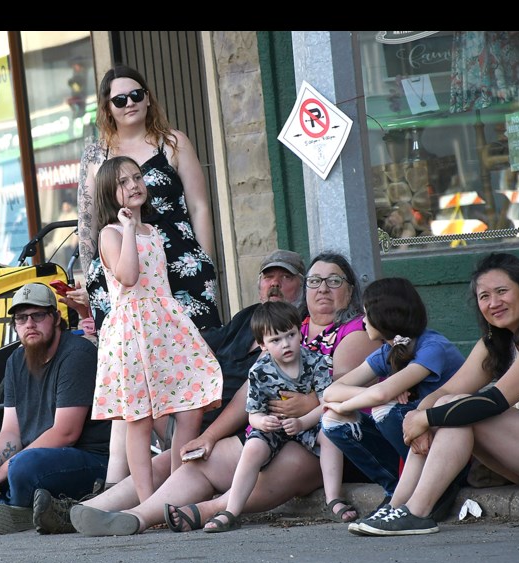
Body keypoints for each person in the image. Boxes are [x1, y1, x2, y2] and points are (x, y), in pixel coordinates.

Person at [49, 252, 378, 536]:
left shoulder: (355, 332)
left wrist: (306, 404)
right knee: (196, 458)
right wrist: (208, 437)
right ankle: (112, 514)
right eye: (315, 281)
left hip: (325, 441)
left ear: (350, 290)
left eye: (334, 282)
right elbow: (255, 387)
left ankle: (206, 511)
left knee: (287, 460)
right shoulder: (291, 329)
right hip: (272, 430)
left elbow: (334, 392)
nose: (323, 288)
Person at [355, 252, 519, 536]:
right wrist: (419, 418)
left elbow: (495, 401)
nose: (494, 303)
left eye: (502, 291)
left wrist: (426, 418)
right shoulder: (496, 340)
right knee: (448, 405)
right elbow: (449, 388)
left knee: (459, 410)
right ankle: (398, 505)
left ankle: (417, 511)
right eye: (484, 296)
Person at [91, 156, 222, 500]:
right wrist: (130, 229)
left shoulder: (154, 231)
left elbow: (159, 280)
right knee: (140, 416)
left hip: (164, 323)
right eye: (123, 182)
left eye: (137, 178)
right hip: (131, 327)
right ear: (109, 191)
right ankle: (149, 498)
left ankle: (178, 484)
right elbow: (129, 276)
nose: (134, 185)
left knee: (192, 399)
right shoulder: (111, 233)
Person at [0, 282, 111, 534]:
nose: (29, 324)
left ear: (56, 317)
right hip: (27, 459)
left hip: (83, 459)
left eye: (38, 315)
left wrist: (4, 469)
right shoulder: (16, 360)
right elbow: (10, 431)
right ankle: (10, 511)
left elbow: (65, 433)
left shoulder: (77, 354)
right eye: (21, 318)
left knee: (22, 466)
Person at [77, 64, 221, 333]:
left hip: (179, 262)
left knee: (199, 349)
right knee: (135, 359)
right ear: (107, 108)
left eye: (136, 95)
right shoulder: (95, 156)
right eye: (119, 100)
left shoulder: (173, 142)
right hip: (122, 272)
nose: (129, 103)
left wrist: (205, 260)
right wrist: (89, 279)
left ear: (148, 98)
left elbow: (199, 207)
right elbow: (87, 223)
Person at [320, 277, 465, 509]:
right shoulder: (388, 351)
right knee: (333, 420)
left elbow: (379, 396)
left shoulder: (432, 347)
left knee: (383, 409)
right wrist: (383, 393)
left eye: (367, 314)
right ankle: (396, 488)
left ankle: (437, 488)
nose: (363, 321)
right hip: (414, 435)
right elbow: (331, 391)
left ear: (385, 315)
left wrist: (349, 404)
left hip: (447, 442)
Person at [201, 301, 340, 533]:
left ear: (299, 332)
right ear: (263, 345)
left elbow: (327, 405)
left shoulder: (316, 362)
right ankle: (231, 510)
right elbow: (253, 413)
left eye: (291, 335)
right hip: (273, 425)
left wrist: (303, 422)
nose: (285, 344)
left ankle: (333, 499)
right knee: (253, 446)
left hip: (308, 422)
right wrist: (261, 422)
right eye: (275, 340)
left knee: (331, 433)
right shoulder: (259, 370)